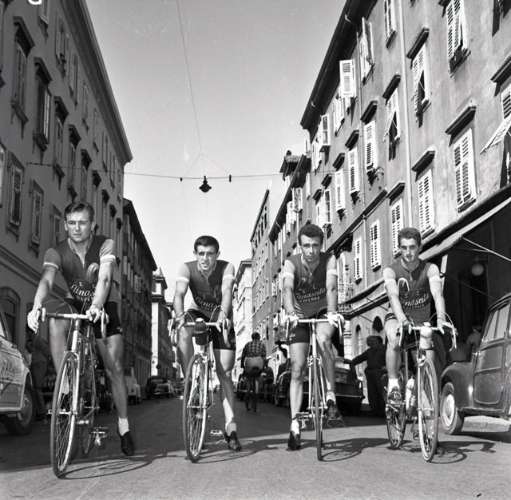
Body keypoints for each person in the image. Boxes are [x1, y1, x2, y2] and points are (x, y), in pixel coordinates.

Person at [27, 201, 134, 456]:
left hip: (104, 302)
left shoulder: (105, 244)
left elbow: (104, 277)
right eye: (72, 223)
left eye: (82, 223)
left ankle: (123, 426)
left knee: (114, 369)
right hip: (75, 301)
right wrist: (37, 305)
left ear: (92, 225)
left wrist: (97, 305)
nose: (77, 228)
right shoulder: (56, 251)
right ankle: (65, 387)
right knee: (56, 319)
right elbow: (47, 280)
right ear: (65, 225)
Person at [174, 235, 241, 451]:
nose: (205, 258)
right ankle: (190, 379)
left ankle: (231, 428)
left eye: (210, 254)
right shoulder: (186, 268)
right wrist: (179, 316)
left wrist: (223, 315)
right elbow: (179, 294)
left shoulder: (226, 267)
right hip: (198, 313)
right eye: (201, 254)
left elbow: (227, 291)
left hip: (221, 315)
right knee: (183, 329)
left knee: (225, 373)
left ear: (217, 255)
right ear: (195, 254)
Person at [283, 223, 344, 451]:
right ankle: (294, 424)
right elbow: (287, 289)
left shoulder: (329, 259)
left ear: (321, 245)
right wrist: (290, 313)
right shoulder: (291, 263)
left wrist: (333, 312)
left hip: (322, 311)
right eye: (306, 246)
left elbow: (331, 287)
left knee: (324, 340)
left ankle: (330, 396)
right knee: (297, 368)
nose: (311, 251)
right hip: (298, 314)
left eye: (315, 246)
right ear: (300, 246)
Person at [383, 227, 447, 406]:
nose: (408, 252)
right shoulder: (391, 271)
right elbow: (393, 296)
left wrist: (441, 318)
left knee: (428, 364)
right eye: (404, 248)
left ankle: (422, 405)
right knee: (394, 338)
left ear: (420, 247)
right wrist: (402, 319)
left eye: (412, 247)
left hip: (421, 320)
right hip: (396, 315)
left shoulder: (430, 269)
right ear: (399, 249)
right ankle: (393, 384)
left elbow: (437, 294)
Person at [350, 335, 386, 417]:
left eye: (371, 341)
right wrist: (351, 362)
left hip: (380, 374)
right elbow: (360, 358)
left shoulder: (385, 349)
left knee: (381, 392)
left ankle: (383, 411)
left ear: (378, 341)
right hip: (370, 374)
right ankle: (374, 410)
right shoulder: (369, 351)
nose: (369, 343)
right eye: (368, 341)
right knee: (372, 393)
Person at [26, 329, 51, 420]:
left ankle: (41, 412)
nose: (27, 334)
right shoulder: (33, 341)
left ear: (30, 332)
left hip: (40, 364)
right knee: (35, 389)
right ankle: (38, 411)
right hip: (36, 364)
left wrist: (46, 363)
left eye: (27, 332)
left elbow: (47, 351)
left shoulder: (38, 339)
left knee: (37, 388)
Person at [240, 332, 266, 405]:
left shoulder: (247, 344)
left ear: (252, 338)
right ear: (259, 337)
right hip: (259, 362)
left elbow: (243, 356)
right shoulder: (262, 344)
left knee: (248, 378)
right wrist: (263, 367)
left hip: (249, 362)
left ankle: (248, 392)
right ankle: (258, 389)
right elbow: (264, 357)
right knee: (258, 376)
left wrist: (242, 365)